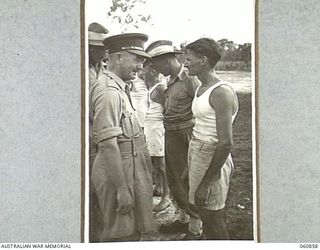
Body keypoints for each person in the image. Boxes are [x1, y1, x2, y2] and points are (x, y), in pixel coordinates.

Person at [91, 33, 154, 242]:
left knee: (132, 231)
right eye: (137, 59)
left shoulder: (120, 87)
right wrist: (122, 190)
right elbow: (108, 145)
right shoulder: (109, 92)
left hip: (129, 169)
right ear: (118, 58)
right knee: (121, 235)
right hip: (118, 174)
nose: (140, 66)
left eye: (142, 60)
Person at [146, 40, 202, 239]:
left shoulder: (189, 78)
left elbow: (202, 108)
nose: (155, 69)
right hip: (170, 134)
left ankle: (196, 228)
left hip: (185, 134)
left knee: (188, 179)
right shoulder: (170, 79)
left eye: (156, 64)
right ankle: (183, 219)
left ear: (166, 60)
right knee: (174, 178)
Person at [184, 38, 239, 239]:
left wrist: (206, 183)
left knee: (213, 219)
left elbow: (226, 143)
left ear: (204, 60)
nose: (185, 63)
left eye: (188, 59)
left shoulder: (221, 92)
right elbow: (200, 127)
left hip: (213, 157)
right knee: (204, 216)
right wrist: (189, 164)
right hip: (198, 152)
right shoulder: (201, 88)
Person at [88, 22, 108, 242]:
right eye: (99, 47)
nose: (104, 52)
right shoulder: (84, 69)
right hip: (90, 133)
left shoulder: (99, 67)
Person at [142, 59, 171, 212]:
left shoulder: (161, 88)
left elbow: (168, 109)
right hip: (150, 128)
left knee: (161, 164)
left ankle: (166, 197)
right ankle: (159, 187)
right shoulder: (152, 87)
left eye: (144, 70)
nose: (141, 72)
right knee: (154, 162)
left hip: (157, 129)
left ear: (153, 71)